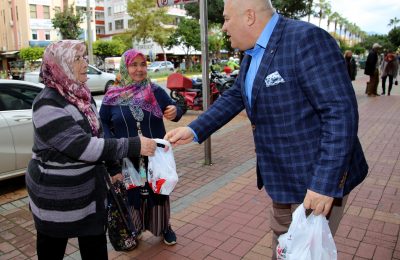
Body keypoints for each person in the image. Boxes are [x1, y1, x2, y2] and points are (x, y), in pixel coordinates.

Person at [164, 0, 368, 259]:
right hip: (281, 180)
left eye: (227, 19)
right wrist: (193, 130)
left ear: (249, 16)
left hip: (313, 182)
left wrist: (325, 184)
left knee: (300, 252)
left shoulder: (306, 40)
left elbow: (340, 112)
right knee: (285, 247)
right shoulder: (252, 53)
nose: (224, 27)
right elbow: (236, 94)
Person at [25, 40, 157, 260]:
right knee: (51, 251)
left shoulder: (82, 96)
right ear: (60, 64)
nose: (85, 63)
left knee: (95, 249)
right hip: (56, 199)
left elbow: (99, 134)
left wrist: (114, 169)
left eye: (85, 57)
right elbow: (82, 146)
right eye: (78, 58)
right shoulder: (47, 103)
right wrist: (134, 144)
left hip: (90, 194)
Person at [100, 49, 183, 246]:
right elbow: (103, 124)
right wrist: (112, 161)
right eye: (133, 65)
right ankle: (134, 228)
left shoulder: (155, 92)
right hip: (128, 157)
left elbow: (176, 110)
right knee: (132, 195)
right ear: (124, 67)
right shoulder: (112, 95)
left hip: (155, 156)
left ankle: (164, 226)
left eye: (142, 64)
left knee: (158, 192)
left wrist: (176, 110)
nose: (139, 69)